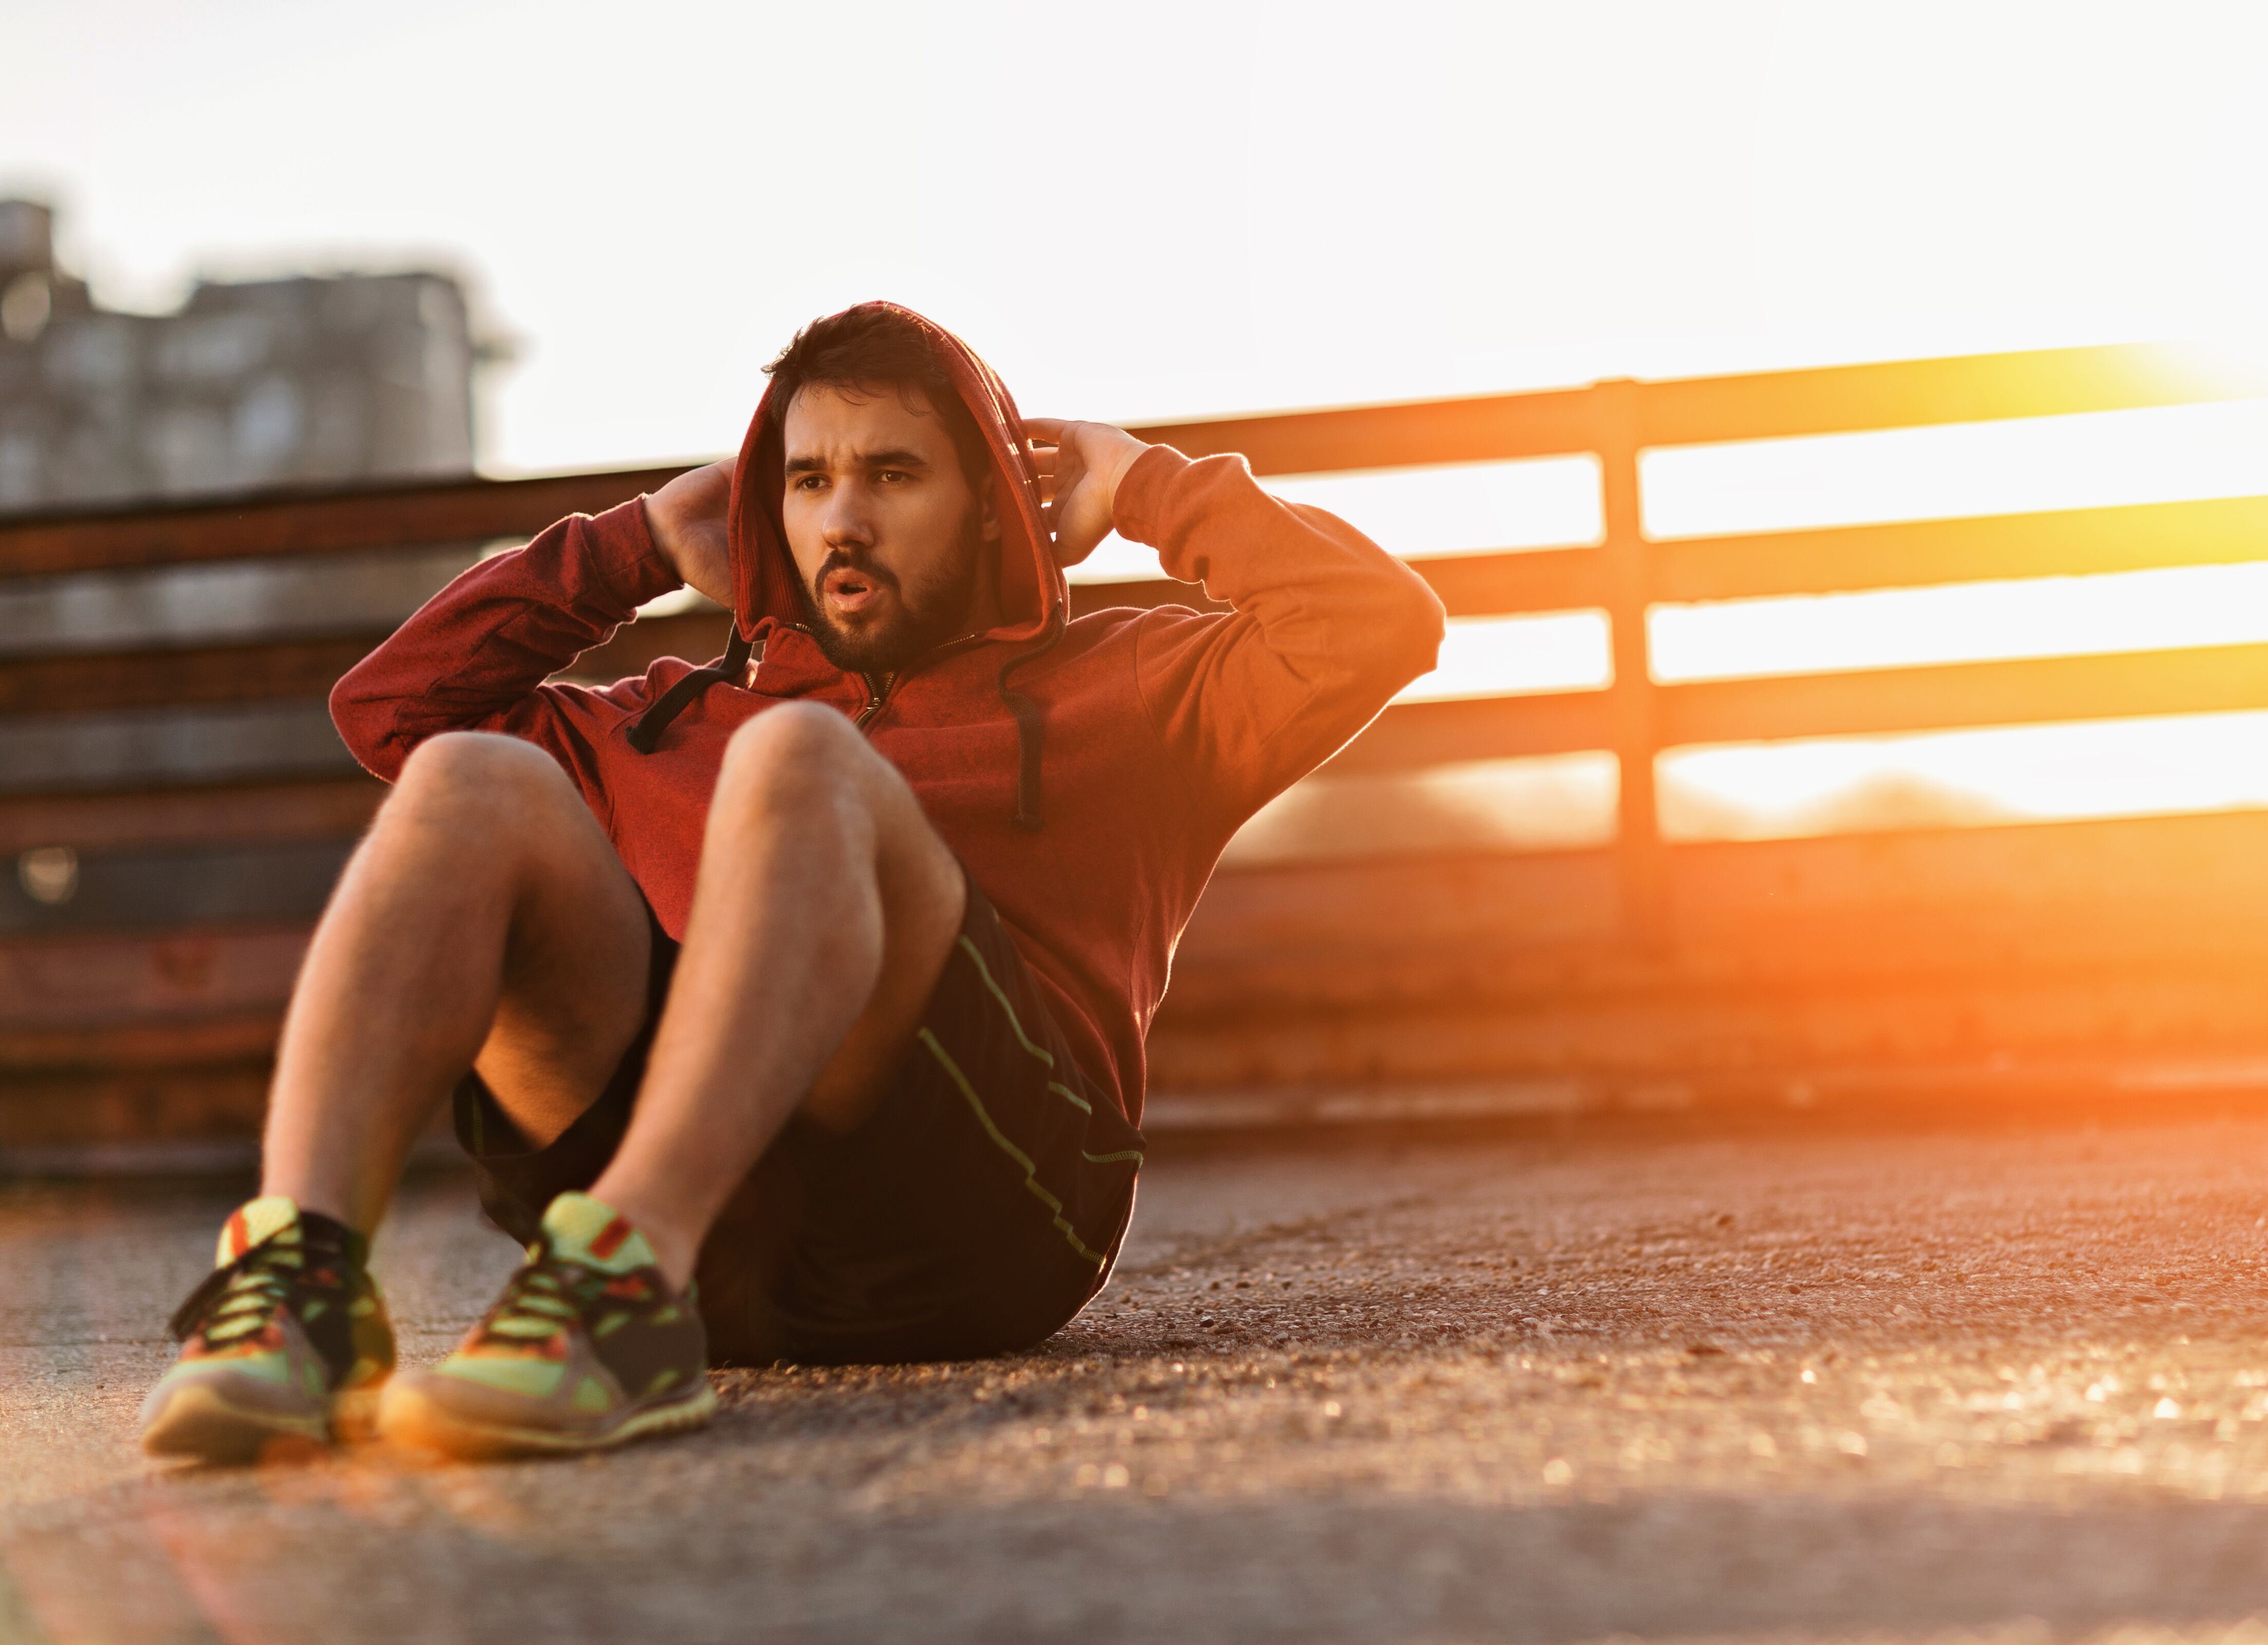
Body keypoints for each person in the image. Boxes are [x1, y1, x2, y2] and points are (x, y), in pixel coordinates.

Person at [137, 303, 1443, 1462]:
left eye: (893, 474)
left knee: (801, 761)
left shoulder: (1135, 691)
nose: (843, 519)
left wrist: (1147, 485)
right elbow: (392, 711)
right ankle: (303, 1289)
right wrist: (637, 543)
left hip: (980, 1223)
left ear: (995, 500)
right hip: (730, 1242)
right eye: (808, 480)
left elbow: (1377, 624)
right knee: (472, 779)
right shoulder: (674, 716)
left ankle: (625, 1275)